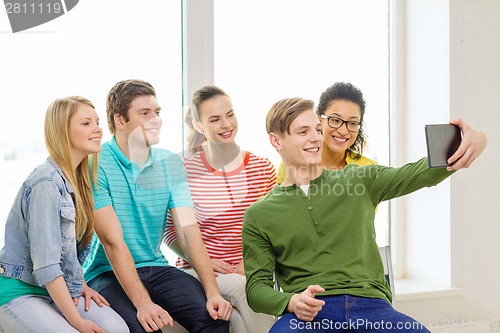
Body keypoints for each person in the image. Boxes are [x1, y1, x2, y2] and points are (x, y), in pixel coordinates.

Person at [242, 97, 487, 332]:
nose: (315, 138)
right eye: (303, 131)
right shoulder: (259, 215)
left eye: (317, 129)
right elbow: (256, 289)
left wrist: (474, 140)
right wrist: (292, 302)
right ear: (276, 141)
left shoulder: (360, 179)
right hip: (310, 316)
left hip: (372, 307)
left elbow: (419, 173)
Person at [82, 79, 232, 333]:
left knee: (214, 317)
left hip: (156, 267)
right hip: (106, 273)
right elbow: (112, 242)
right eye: (144, 113)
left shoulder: (170, 163)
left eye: (157, 112)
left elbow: (187, 230)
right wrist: (143, 304)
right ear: (120, 121)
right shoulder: (95, 163)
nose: (155, 119)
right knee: (144, 328)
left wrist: (213, 292)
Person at [0, 96, 129, 333]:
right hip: (20, 289)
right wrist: (77, 321)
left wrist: (80, 284)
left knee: (117, 329)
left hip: (55, 287)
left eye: (97, 122)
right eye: (86, 123)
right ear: (62, 131)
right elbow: (47, 265)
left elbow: (67, 253)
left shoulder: (77, 180)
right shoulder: (46, 182)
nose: (98, 129)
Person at [163, 85, 277, 333]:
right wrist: (205, 261)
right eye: (214, 119)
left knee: (237, 317)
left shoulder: (263, 168)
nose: (226, 124)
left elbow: (272, 230)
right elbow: (170, 231)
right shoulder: (183, 169)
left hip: (249, 270)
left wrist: (248, 267)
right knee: (246, 292)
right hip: (197, 270)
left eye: (230, 114)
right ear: (199, 125)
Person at [276, 82, 376, 183]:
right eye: (335, 120)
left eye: (352, 123)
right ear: (319, 120)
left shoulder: (370, 170)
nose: (343, 131)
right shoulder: (291, 164)